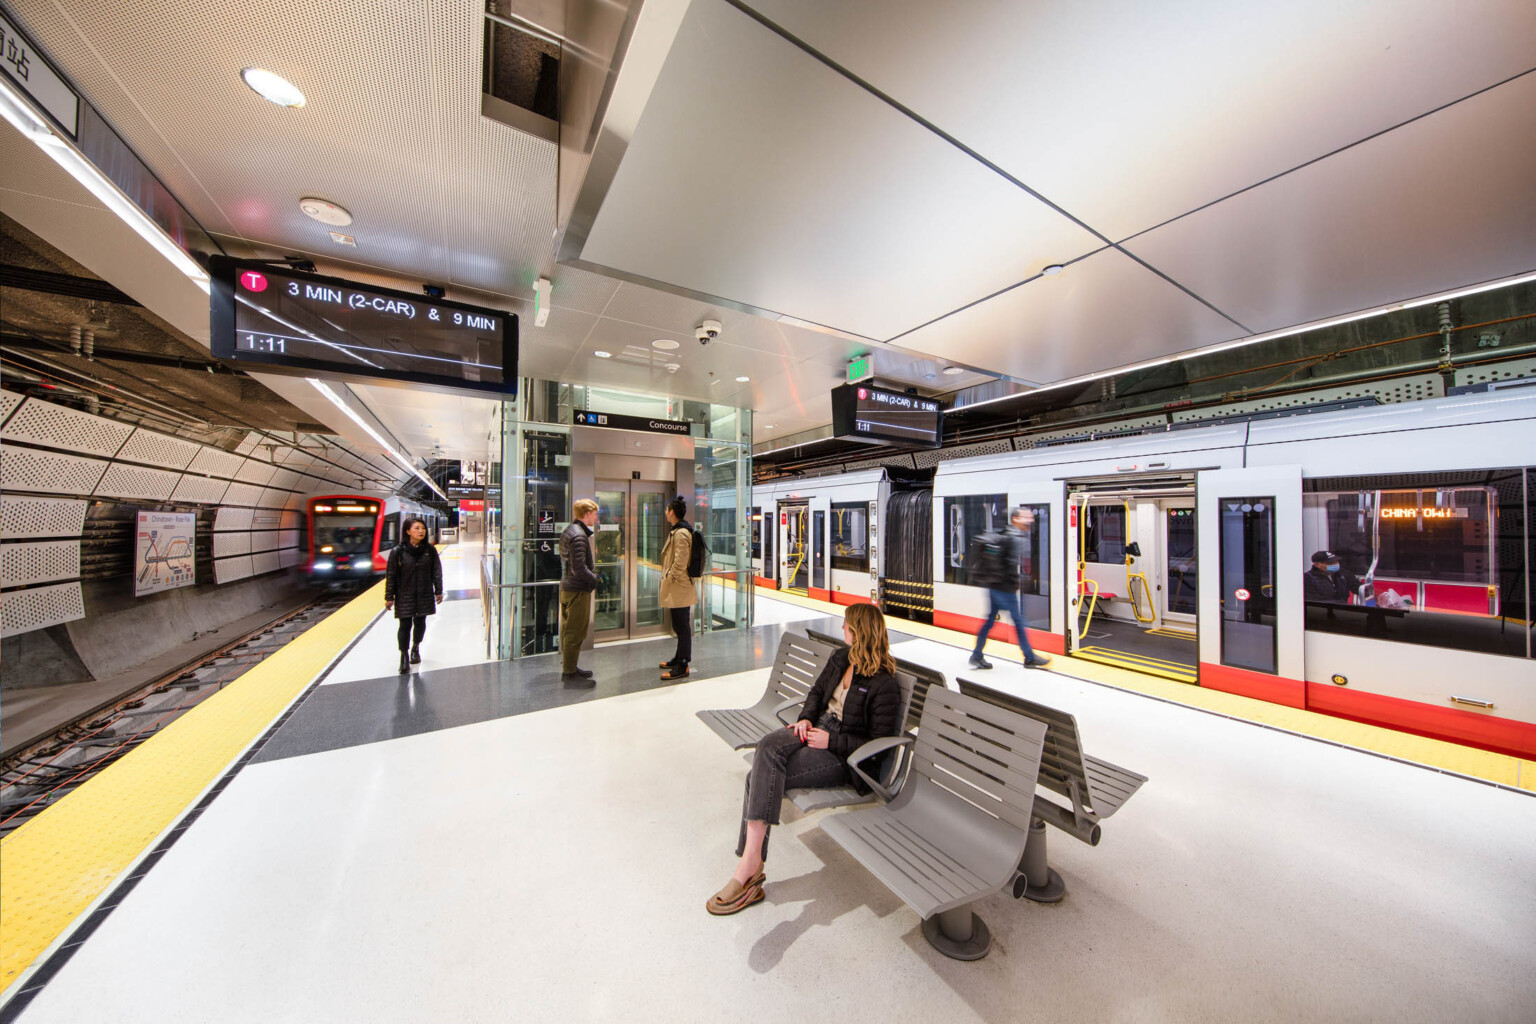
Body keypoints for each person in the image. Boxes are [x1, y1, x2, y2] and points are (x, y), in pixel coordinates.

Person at [707, 602, 902, 916]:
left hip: (844, 758)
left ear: (860, 632)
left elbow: (879, 745)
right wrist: (806, 718)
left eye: (847, 626)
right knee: (767, 747)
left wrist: (832, 740)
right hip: (816, 731)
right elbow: (816, 693)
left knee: (755, 776)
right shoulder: (841, 658)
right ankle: (751, 866)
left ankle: (748, 867)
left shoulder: (884, 683)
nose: (842, 630)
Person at [969, 506, 1052, 670]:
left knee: (990, 622)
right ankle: (1029, 657)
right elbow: (1012, 564)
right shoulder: (1014, 537)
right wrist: (1018, 581)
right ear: (1015, 519)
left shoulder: (1003, 534)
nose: (1030, 520)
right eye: (1025, 517)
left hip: (994, 585)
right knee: (1019, 622)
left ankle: (977, 655)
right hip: (1004, 588)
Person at [384, 517, 444, 675]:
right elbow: (391, 575)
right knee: (404, 625)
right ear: (407, 531)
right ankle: (403, 655)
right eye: (417, 528)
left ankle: (416, 647)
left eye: (422, 528)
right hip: (405, 594)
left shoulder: (429, 551)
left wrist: (438, 590)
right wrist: (389, 597)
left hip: (424, 592)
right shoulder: (397, 552)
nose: (421, 531)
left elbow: (436, 571)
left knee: (420, 623)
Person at [558, 498, 600, 685]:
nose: (596, 518)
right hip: (577, 590)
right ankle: (569, 674)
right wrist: (595, 579)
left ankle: (571, 667)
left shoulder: (569, 531)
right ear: (587, 514)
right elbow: (579, 568)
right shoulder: (579, 535)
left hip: (568, 588)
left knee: (569, 630)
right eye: (595, 514)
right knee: (575, 632)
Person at [658, 496, 695, 680]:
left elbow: (680, 561)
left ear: (672, 512)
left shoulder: (681, 533)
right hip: (677, 586)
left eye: (667, 510)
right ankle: (678, 658)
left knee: (682, 627)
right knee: (679, 625)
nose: (666, 512)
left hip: (679, 586)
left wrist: (670, 577)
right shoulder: (678, 531)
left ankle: (682, 665)